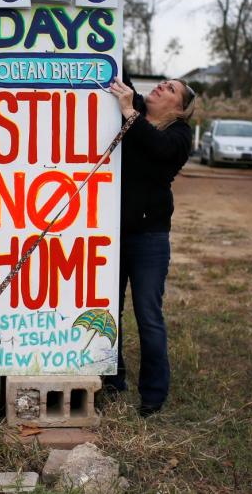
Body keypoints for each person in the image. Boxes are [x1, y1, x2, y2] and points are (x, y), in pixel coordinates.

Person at [104, 74, 196, 416]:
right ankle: (112, 382)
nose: (161, 86)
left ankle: (153, 396)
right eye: (162, 82)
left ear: (181, 110)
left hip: (149, 240)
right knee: (109, 311)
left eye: (170, 89)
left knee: (148, 315)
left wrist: (129, 111)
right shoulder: (136, 109)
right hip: (111, 234)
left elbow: (157, 150)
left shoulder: (179, 136)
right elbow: (117, 70)